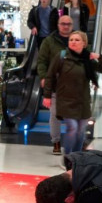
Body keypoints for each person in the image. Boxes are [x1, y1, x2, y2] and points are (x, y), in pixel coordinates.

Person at [43, 30, 102, 154]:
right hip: (65, 100)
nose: (73, 42)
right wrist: (47, 95)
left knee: (80, 131)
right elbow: (50, 76)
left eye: (77, 40)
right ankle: (68, 158)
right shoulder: (61, 56)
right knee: (72, 128)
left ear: (84, 43)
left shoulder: (88, 59)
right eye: (71, 40)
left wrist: (99, 57)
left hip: (83, 101)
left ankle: (76, 157)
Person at [37, 15, 77, 155]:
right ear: (58, 25)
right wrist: (43, 77)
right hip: (55, 84)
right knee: (54, 114)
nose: (66, 26)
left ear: (72, 25)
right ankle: (56, 142)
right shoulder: (49, 41)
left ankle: (75, 142)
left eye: (68, 24)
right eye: (63, 23)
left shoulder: (77, 39)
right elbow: (41, 61)